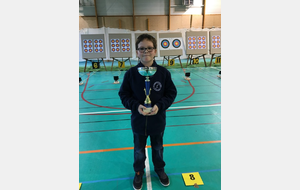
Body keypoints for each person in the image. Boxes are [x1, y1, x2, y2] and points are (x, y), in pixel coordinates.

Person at [118, 34, 177, 190]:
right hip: (138, 122)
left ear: (155, 50)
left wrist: (160, 106)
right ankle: (138, 172)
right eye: (142, 48)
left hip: (157, 122)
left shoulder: (163, 73)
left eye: (149, 48)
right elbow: (123, 95)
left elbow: (171, 93)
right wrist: (136, 106)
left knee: (158, 148)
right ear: (137, 52)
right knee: (138, 150)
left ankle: (159, 169)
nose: (146, 51)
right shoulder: (130, 74)